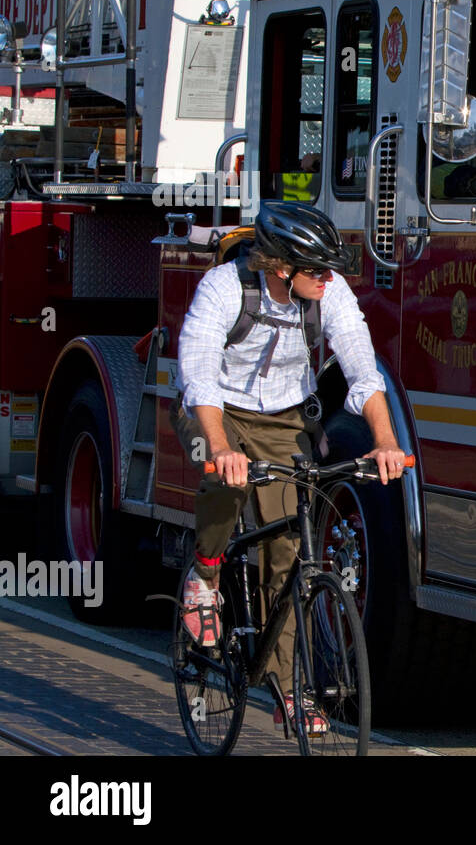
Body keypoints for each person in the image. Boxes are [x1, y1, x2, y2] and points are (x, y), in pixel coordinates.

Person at [171, 200, 406, 736]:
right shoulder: (224, 290)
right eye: (317, 270)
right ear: (280, 268)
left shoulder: (328, 293)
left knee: (290, 558)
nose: (329, 279)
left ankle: (288, 690)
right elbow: (199, 375)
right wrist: (220, 447)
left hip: (284, 417)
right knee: (223, 478)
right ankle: (205, 578)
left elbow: (362, 370)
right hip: (216, 410)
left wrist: (386, 442)